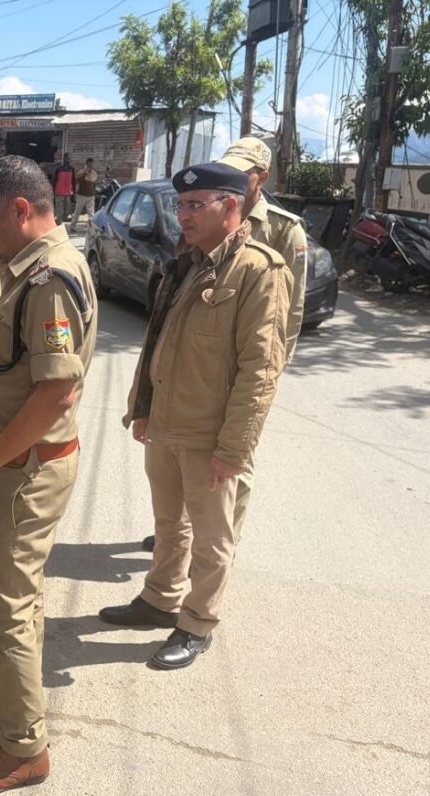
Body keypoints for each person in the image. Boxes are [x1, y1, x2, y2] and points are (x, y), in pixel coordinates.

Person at [0, 155, 98, 794]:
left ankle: (22, 748)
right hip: (20, 463)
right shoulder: (33, 270)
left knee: (7, 608)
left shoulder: (48, 279)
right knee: (18, 600)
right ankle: (10, 707)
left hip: (21, 470)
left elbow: (56, 393)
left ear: (21, 210)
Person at [101, 162, 290, 670]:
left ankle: (198, 622)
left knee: (212, 538)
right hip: (166, 421)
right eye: (180, 204)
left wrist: (234, 448)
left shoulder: (258, 270)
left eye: (194, 205)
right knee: (168, 524)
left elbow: (261, 371)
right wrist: (143, 408)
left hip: (210, 433)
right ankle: (160, 599)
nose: (182, 214)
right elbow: (157, 339)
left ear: (231, 207)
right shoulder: (186, 261)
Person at [138, 136, 308, 552]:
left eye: (243, 172)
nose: (186, 213)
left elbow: (290, 311)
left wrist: (269, 370)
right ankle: (181, 533)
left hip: (248, 355)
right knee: (183, 462)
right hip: (201, 361)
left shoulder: (283, 229)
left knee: (233, 462)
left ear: (260, 178)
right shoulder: (202, 210)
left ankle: (218, 538)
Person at [72, 157, 98, 230]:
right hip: (81, 195)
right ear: (86, 164)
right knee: (77, 211)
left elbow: (94, 183)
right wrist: (85, 172)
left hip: (91, 196)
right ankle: (73, 226)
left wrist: (93, 193)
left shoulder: (94, 173)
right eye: (89, 164)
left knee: (91, 213)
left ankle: (91, 228)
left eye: (91, 164)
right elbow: (78, 180)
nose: (90, 165)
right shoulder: (82, 171)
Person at [52, 152, 75, 222]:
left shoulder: (71, 169)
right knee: (59, 209)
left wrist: (74, 191)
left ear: (70, 159)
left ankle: (63, 222)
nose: (67, 159)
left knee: (67, 210)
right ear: (63, 159)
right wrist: (53, 191)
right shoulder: (58, 169)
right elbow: (54, 181)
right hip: (59, 192)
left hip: (68, 192)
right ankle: (59, 222)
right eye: (66, 158)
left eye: (68, 158)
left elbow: (73, 181)